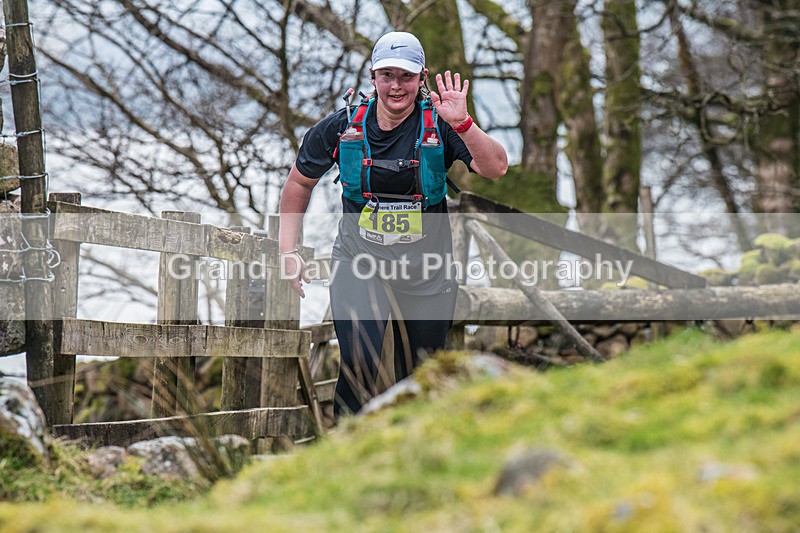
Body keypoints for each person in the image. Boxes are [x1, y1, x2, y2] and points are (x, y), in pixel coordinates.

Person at [279, 31, 507, 418]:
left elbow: (496, 168)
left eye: (406, 76)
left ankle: (418, 459)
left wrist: (465, 123)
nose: (396, 85)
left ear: (422, 79)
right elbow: (299, 182)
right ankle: (346, 456)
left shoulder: (443, 125)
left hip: (427, 270)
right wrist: (287, 249)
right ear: (373, 77)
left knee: (422, 373)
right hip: (359, 260)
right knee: (359, 362)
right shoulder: (342, 127)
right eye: (387, 75)